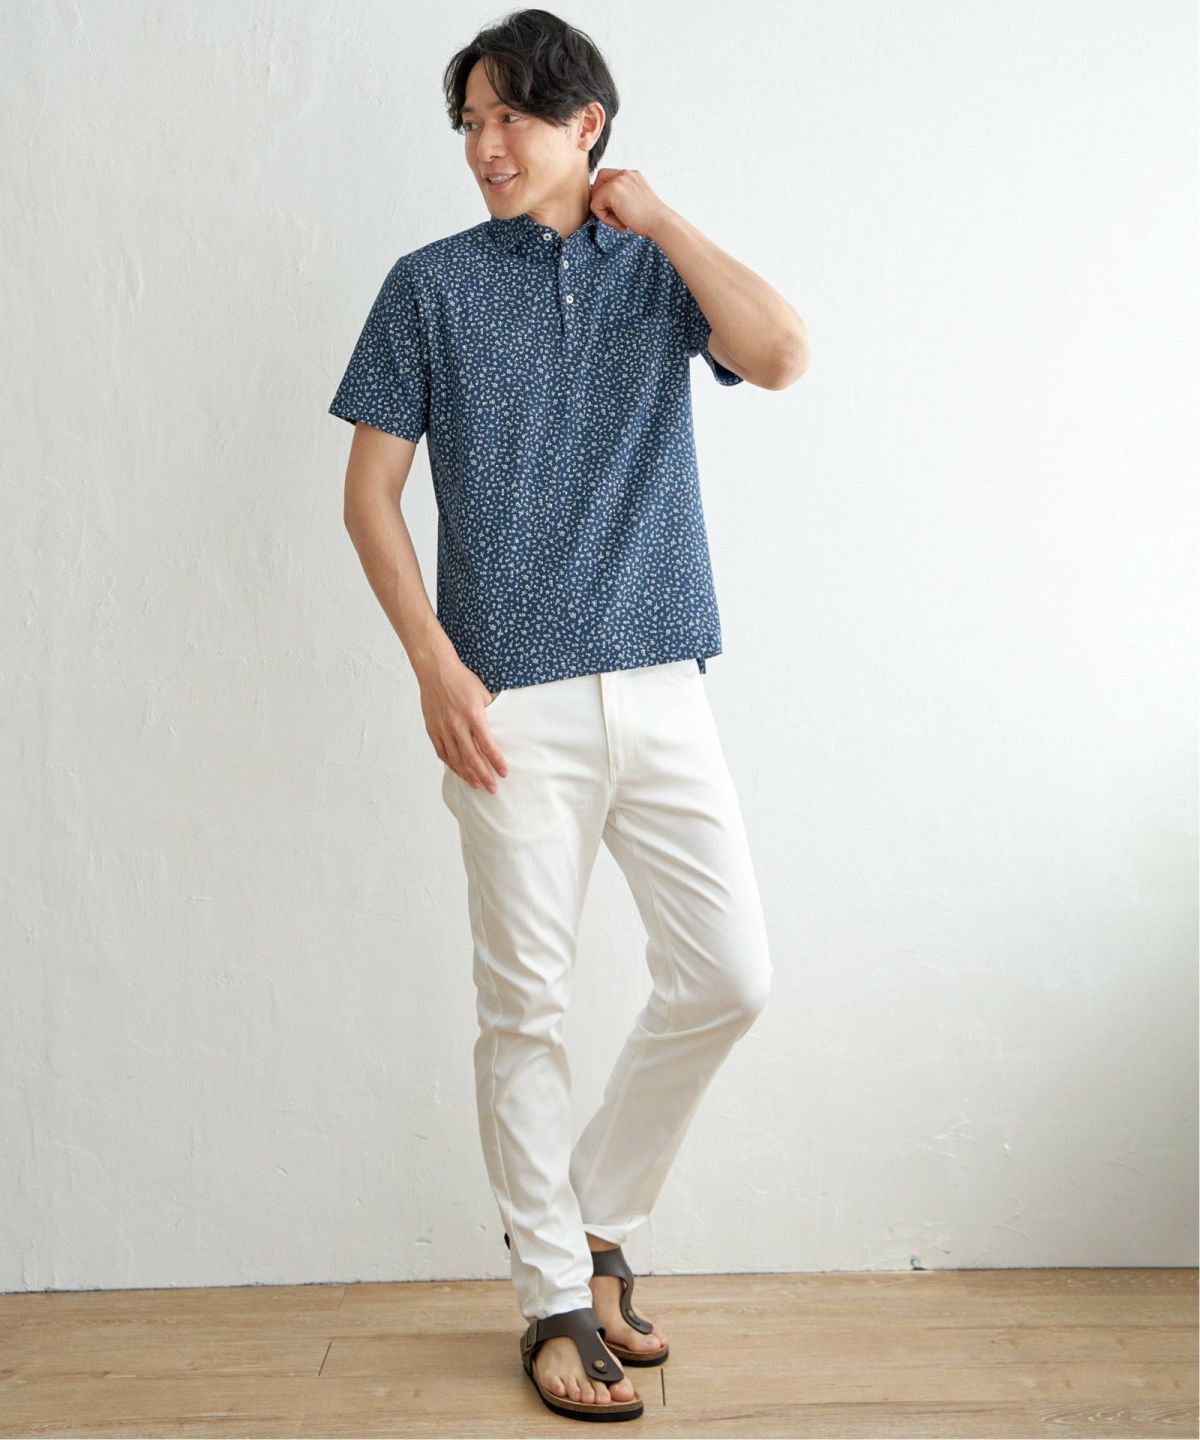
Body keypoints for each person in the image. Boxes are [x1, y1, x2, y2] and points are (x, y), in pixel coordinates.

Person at [328, 8, 809, 1423]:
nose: (484, 147)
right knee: (524, 1009)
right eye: (469, 124)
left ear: (585, 124)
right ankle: (551, 1299)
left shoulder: (657, 273)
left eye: (511, 119)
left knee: (729, 978)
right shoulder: (427, 285)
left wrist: (657, 216)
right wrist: (432, 664)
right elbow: (369, 495)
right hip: (505, 705)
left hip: (662, 681)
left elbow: (783, 353)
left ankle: (592, 1221)